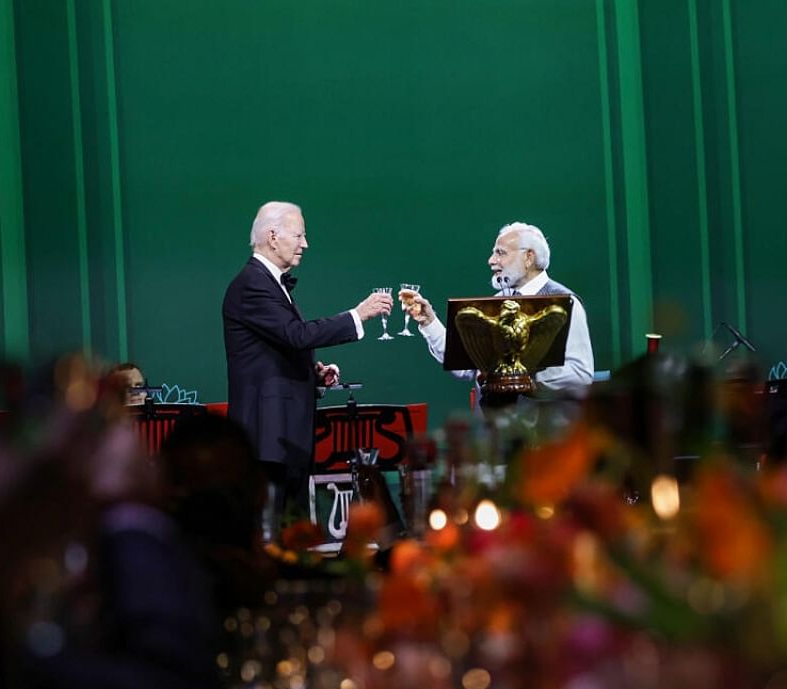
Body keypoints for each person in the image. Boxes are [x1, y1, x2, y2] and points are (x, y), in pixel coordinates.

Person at [222, 201, 392, 521]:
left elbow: (274, 349)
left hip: (285, 436)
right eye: (299, 235)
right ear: (273, 237)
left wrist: (312, 373)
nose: (306, 244)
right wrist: (359, 315)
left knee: (294, 534)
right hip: (267, 437)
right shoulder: (252, 284)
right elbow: (296, 335)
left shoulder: (268, 283)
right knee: (274, 533)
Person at [404, 222, 594, 398]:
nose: (491, 260)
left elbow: (580, 372)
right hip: (494, 428)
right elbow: (465, 365)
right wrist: (428, 321)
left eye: (500, 253)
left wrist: (525, 382)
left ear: (528, 257)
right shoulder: (496, 304)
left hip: (542, 429)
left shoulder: (564, 303)